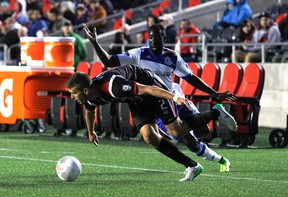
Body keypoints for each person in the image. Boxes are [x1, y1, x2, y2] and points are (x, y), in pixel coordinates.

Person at [82, 23, 237, 173]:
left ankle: (217, 112)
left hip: (173, 96)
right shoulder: (138, 54)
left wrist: (214, 93)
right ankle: (218, 160)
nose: (153, 41)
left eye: (157, 38)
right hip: (152, 103)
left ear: (164, 38)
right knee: (185, 138)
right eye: (150, 38)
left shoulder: (172, 57)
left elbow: (190, 78)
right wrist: (95, 43)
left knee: (203, 132)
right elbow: (109, 61)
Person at [67, 64, 235, 181]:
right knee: (149, 136)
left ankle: (216, 112)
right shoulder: (89, 98)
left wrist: (174, 96)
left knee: (177, 131)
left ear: (85, 90)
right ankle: (192, 166)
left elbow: (147, 89)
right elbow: (90, 111)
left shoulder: (113, 86)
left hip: (151, 87)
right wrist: (91, 132)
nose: (72, 98)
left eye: (73, 94)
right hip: (136, 100)